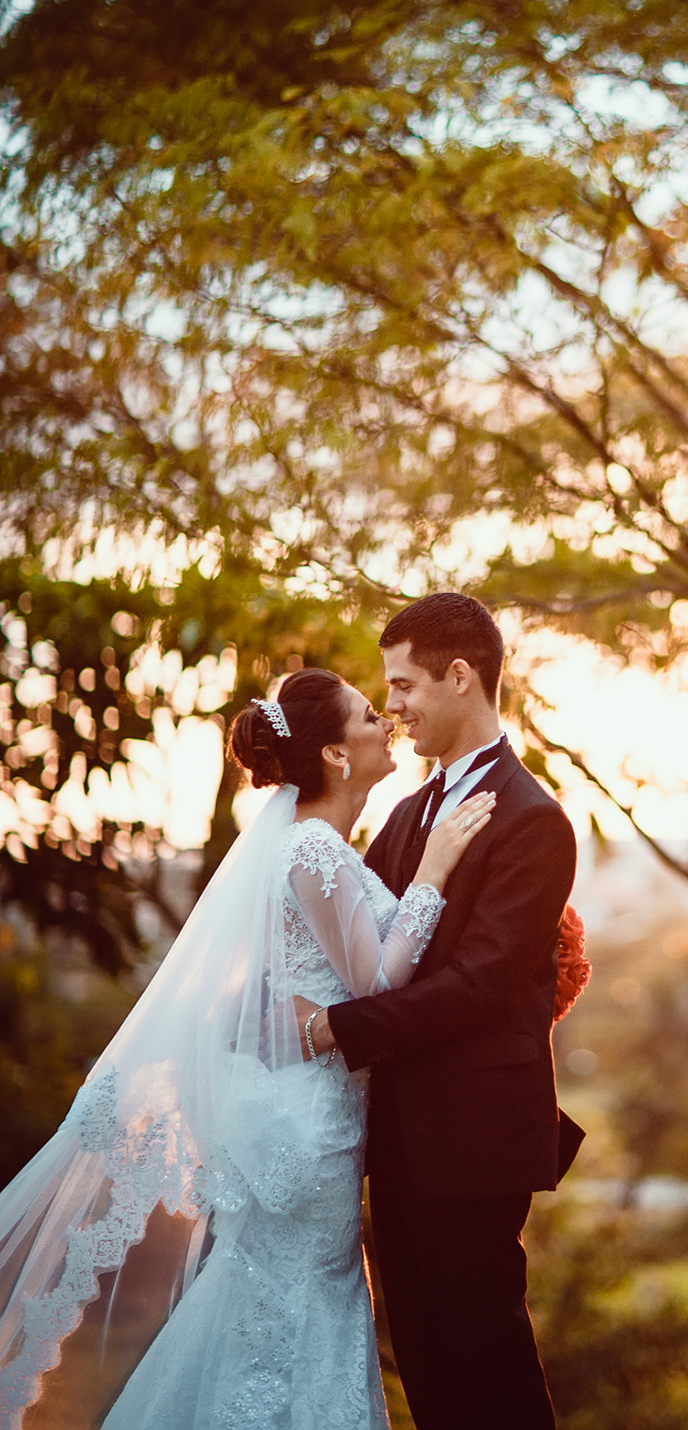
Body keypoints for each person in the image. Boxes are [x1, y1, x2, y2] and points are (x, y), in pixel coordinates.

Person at [0, 665, 492, 1430]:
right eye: (369, 713)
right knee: (304, 1293)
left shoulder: (315, 847)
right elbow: (374, 984)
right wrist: (433, 874)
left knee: (274, 1292)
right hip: (313, 1125)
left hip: (304, 1110)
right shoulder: (315, 852)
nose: (385, 721)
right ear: (333, 753)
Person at [298, 592, 585, 1430]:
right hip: (395, 1138)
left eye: (402, 685)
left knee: (487, 1372)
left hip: (473, 1143)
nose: (392, 709)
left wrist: (336, 1029)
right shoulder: (407, 809)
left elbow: (482, 983)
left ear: (460, 675)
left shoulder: (535, 821)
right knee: (427, 1371)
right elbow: (363, 938)